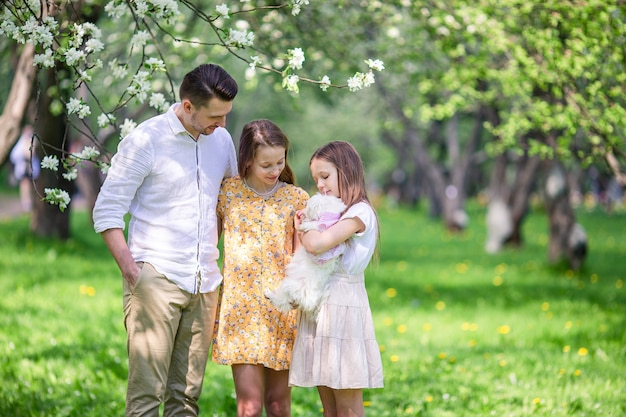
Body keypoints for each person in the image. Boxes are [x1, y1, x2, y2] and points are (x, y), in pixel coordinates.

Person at [92, 63, 239, 417]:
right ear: (188, 106)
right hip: (156, 277)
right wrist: (134, 273)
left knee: (186, 400)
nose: (221, 125)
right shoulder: (146, 139)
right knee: (146, 398)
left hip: (205, 284)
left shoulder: (221, 140)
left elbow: (229, 201)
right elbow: (107, 210)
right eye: (215, 116)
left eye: (225, 116)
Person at [211, 119, 309, 417]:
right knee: (249, 407)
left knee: (279, 405)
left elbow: (303, 257)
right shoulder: (227, 192)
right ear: (248, 160)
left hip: (281, 311)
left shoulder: (296, 198)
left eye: (280, 161)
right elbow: (208, 243)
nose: (275, 170)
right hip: (240, 310)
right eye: (266, 164)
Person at [288, 141, 384, 417]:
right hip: (320, 305)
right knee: (330, 408)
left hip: (342, 306)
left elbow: (317, 245)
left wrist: (301, 227)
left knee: (348, 408)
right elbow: (306, 252)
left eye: (325, 176)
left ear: (347, 171)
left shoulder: (359, 212)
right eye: (316, 178)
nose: (320, 184)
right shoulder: (334, 214)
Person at [9, 125, 40, 211]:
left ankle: (32, 202)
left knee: (32, 185)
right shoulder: (21, 142)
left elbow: (34, 155)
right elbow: (14, 155)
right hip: (23, 167)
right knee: (25, 184)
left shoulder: (34, 141)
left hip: (31, 168)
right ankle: (26, 203)